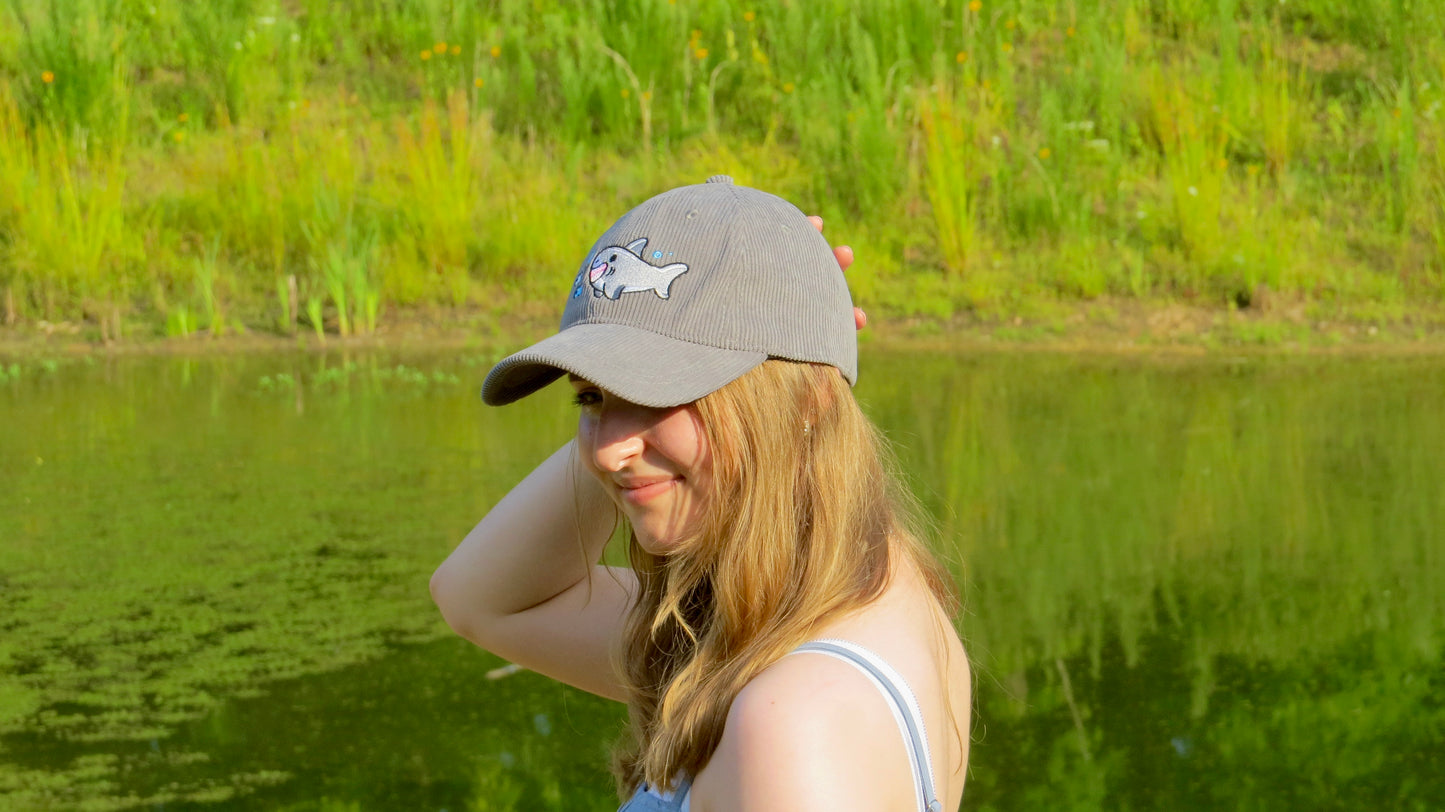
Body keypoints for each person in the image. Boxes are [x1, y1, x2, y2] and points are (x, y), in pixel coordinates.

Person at [430, 175, 971, 812]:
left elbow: (485, 605)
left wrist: (797, 342)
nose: (606, 448)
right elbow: (478, 600)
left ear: (806, 404)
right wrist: (795, 328)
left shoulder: (792, 728)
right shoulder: (834, 594)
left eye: (660, 390)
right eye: (591, 396)